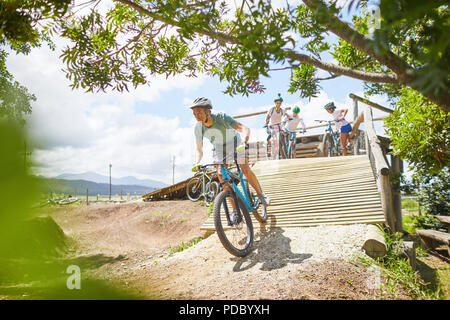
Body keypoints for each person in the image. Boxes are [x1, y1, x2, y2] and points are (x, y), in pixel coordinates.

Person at [190, 97, 270, 220]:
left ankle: (261, 194)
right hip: (219, 148)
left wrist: (244, 141)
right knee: (222, 177)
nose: (196, 116)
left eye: (199, 112)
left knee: (244, 168)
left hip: (236, 143)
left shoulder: (221, 117)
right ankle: (235, 211)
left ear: (208, 111)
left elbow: (244, 128)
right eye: (194, 113)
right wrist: (197, 162)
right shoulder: (198, 128)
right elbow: (199, 149)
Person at [264, 93, 288, 159]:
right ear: (275, 103)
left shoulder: (282, 110)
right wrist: (266, 124)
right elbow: (267, 117)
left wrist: (289, 118)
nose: (278, 104)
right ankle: (268, 151)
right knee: (269, 138)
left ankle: (283, 150)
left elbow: (287, 115)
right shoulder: (271, 110)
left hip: (279, 126)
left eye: (280, 103)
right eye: (277, 103)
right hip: (272, 127)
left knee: (284, 134)